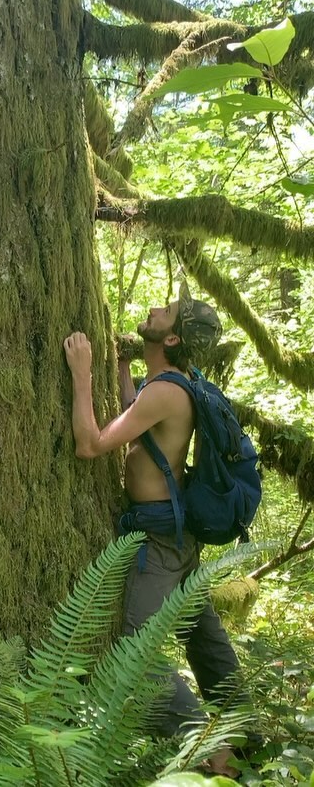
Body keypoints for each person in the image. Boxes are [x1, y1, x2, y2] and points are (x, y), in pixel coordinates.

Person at [63, 282, 244, 778]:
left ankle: (213, 755)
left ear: (172, 340)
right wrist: (121, 367)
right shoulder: (171, 384)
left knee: (137, 653)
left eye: (167, 311)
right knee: (203, 635)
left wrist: (82, 376)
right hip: (177, 534)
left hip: (161, 540)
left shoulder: (166, 390)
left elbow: (91, 445)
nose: (156, 307)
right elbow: (137, 416)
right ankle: (244, 728)